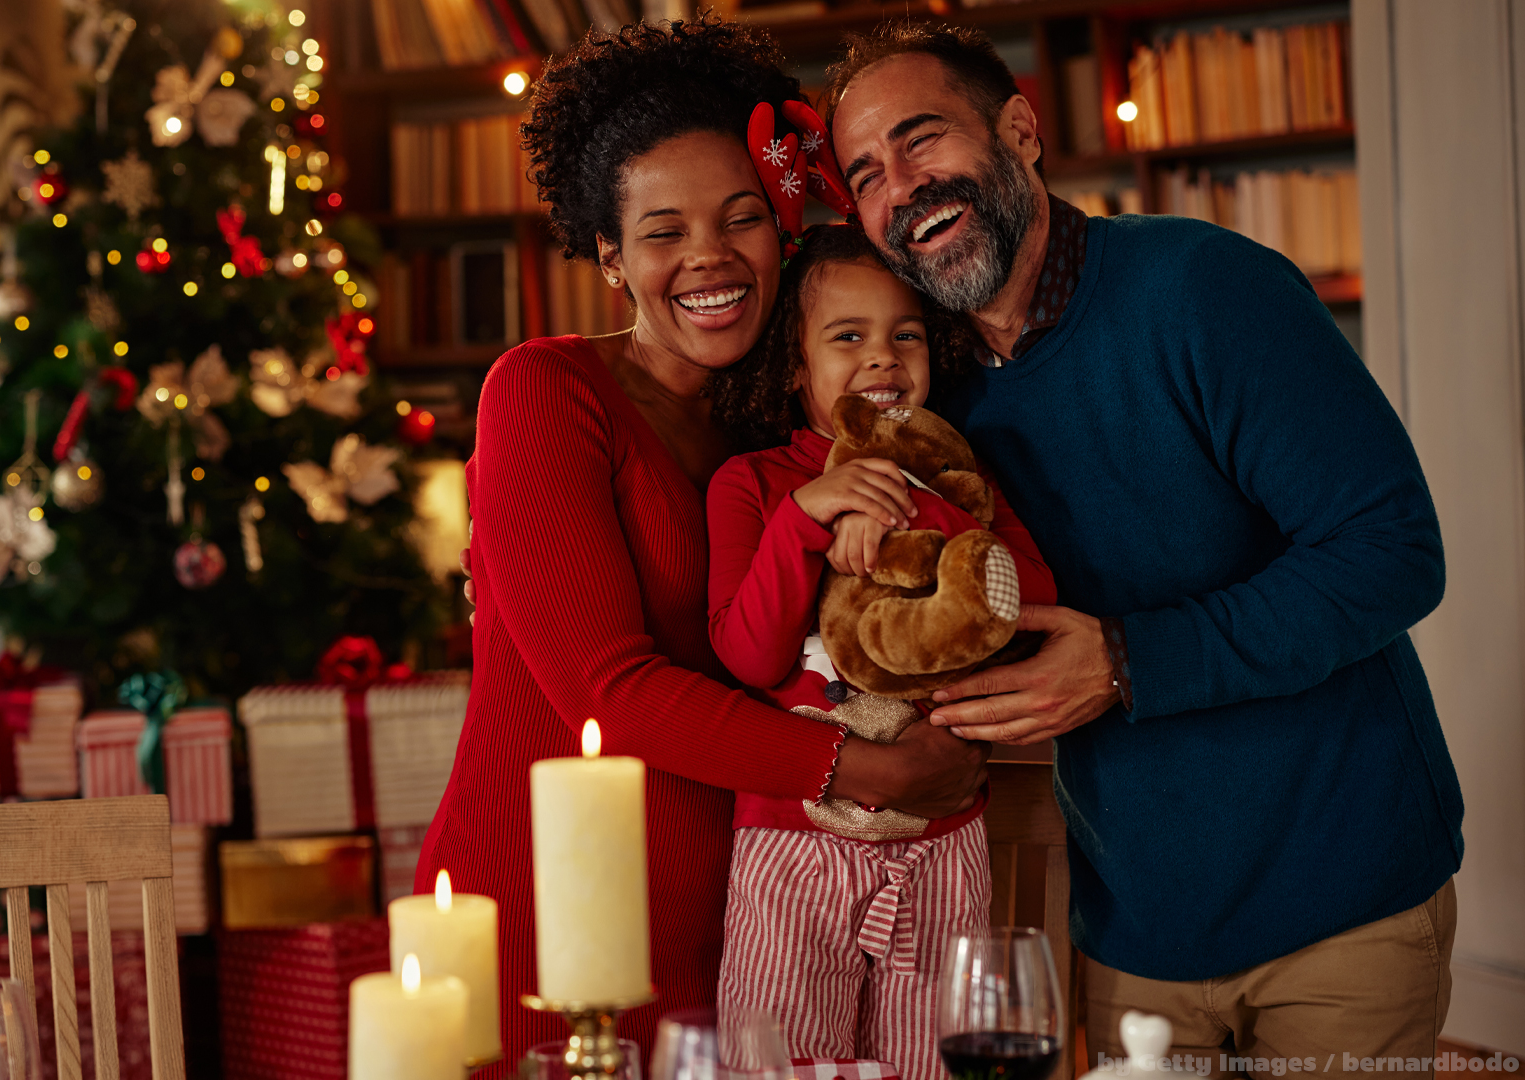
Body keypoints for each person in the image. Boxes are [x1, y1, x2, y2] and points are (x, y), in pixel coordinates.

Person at [822, 22, 1461, 1070]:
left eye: (922, 139)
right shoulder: (925, 394)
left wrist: (1127, 659)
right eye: (865, 174)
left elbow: (1392, 550)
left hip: (1344, 903)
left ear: (1019, 128)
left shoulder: (1205, 291)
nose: (901, 187)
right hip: (1133, 932)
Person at [415, 17, 991, 1073]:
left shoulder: (787, 440)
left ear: (784, 230)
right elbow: (608, 685)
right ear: (609, 258)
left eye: (741, 220)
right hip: (552, 921)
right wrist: (868, 768)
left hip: (744, 927)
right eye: (662, 231)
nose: (709, 258)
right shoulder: (545, 393)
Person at [703, 222, 1055, 1077]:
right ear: (795, 367)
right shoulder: (751, 486)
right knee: (777, 1059)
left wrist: (919, 511)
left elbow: (1033, 603)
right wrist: (809, 519)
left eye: (905, 335)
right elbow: (747, 658)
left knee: (938, 1059)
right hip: (790, 846)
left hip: (943, 835)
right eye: (848, 337)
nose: (883, 358)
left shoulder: (961, 481)